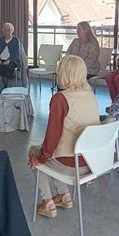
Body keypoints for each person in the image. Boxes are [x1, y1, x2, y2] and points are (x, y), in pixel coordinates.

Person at [28, 55, 100, 218]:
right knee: (46, 155)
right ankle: (63, 195)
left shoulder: (60, 99)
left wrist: (41, 158)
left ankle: (47, 202)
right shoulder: (90, 93)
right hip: (90, 162)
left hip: (71, 164)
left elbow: (52, 136)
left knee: (35, 152)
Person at [0, 22, 22, 98]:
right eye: (5, 30)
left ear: (12, 31)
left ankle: (5, 88)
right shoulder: (0, 40)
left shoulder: (15, 40)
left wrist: (9, 60)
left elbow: (16, 53)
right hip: (0, 59)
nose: (7, 32)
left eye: (9, 30)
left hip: (12, 60)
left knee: (5, 69)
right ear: (3, 31)